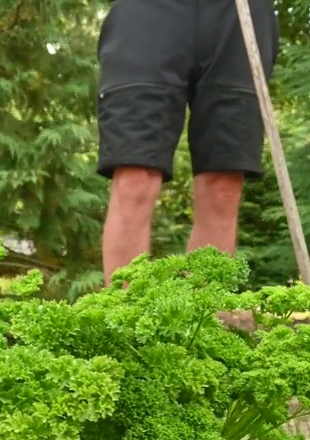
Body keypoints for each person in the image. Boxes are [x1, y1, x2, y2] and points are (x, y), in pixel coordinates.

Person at [95, 0, 280, 285]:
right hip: (148, 12)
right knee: (135, 179)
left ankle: (203, 320)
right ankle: (124, 320)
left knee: (224, 187)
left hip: (238, 12)